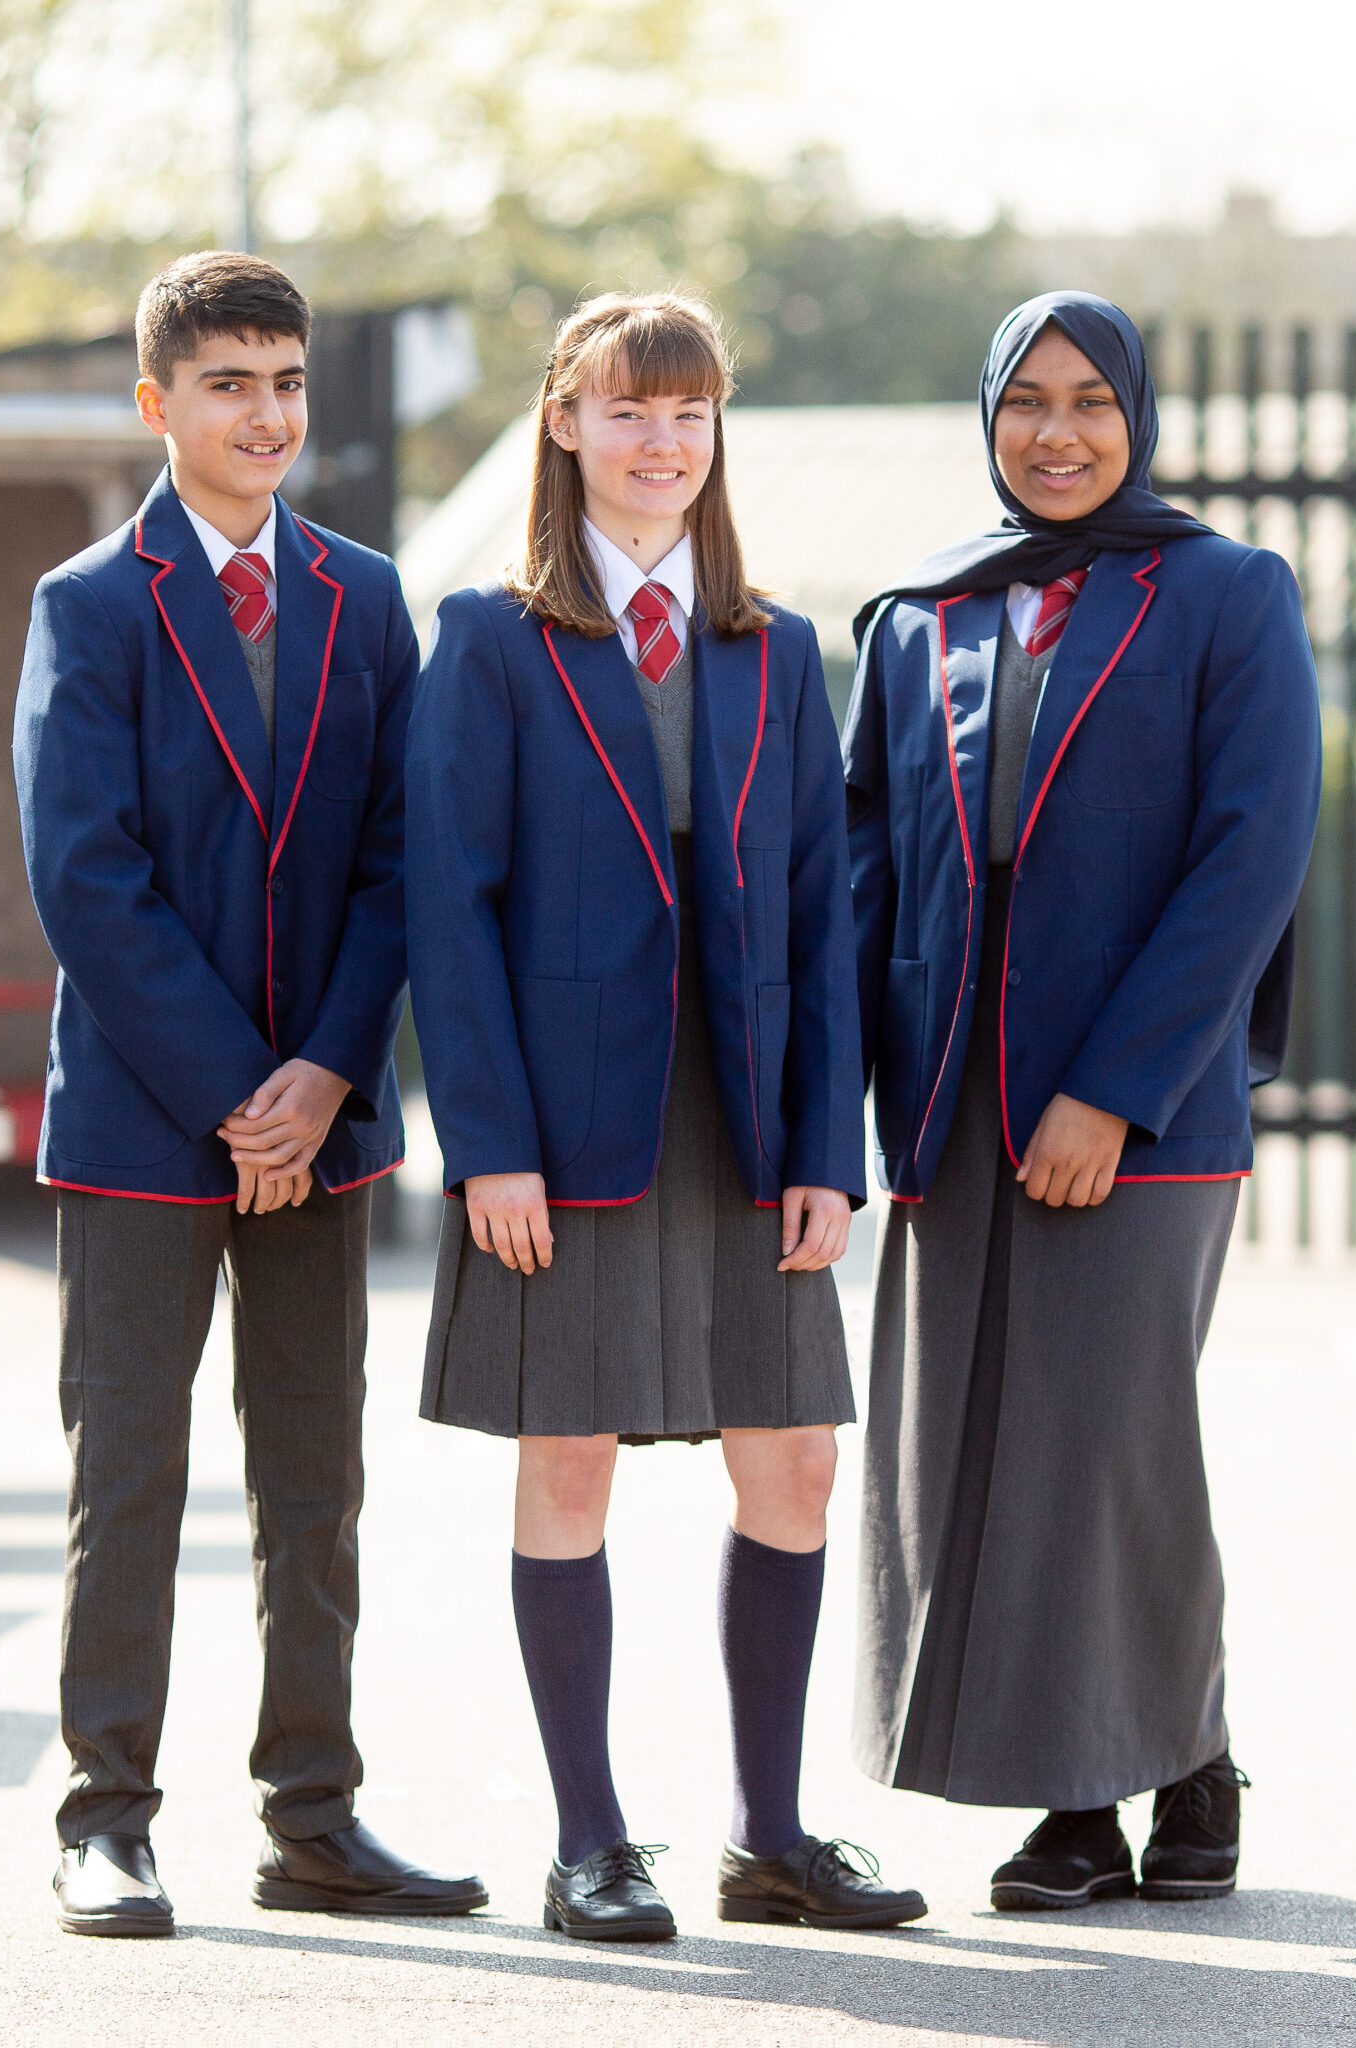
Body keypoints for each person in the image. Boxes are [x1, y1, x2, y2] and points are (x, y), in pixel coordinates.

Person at [406, 292, 924, 1942]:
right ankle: (590, 1841)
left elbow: (825, 918)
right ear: (565, 425)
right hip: (564, 1132)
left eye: (692, 414)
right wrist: (487, 1143)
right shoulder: (492, 641)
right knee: (570, 1466)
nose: (663, 443)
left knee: (796, 1467)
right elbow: (449, 905)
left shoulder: (778, 647)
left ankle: (770, 1837)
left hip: (752, 1121)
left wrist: (825, 1153)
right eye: (630, 412)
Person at [14, 250, 484, 1937]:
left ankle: (315, 1818)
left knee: (314, 1481)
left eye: (287, 381)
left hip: (328, 1118)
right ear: (158, 404)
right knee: (127, 1475)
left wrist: (329, 1073)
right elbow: (89, 879)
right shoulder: (89, 603)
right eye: (229, 383)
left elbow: (392, 863)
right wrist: (240, 1094)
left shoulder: (367, 597)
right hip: (152, 1124)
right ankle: (106, 1819)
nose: (267, 412)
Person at [843, 290, 1321, 1910]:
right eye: (1027, 403)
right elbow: (860, 872)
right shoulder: (920, 618)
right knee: (988, 1449)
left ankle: (1126, 1782)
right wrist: (820, 1114)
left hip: (1142, 1110)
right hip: (953, 1110)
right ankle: (1141, 1781)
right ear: (987, 419)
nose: (1058, 433)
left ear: (1139, 418)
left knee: (1112, 1442)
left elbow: (1250, 857)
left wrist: (1112, 1091)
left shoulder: (1226, 595)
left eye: (1091, 402)